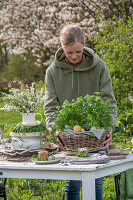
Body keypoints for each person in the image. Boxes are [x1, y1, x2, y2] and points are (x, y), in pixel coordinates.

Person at [44, 24, 117, 200]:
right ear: (62, 48)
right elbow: (50, 106)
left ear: (83, 45)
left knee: (95, 180)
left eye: (78, 51)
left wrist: (108, 127)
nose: (74, 56)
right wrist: (57, 130)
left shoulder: (100, 67)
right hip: (69, 134)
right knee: (73, 179)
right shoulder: (52, 72)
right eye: (69, 52)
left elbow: (109, 101)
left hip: (95, 132)